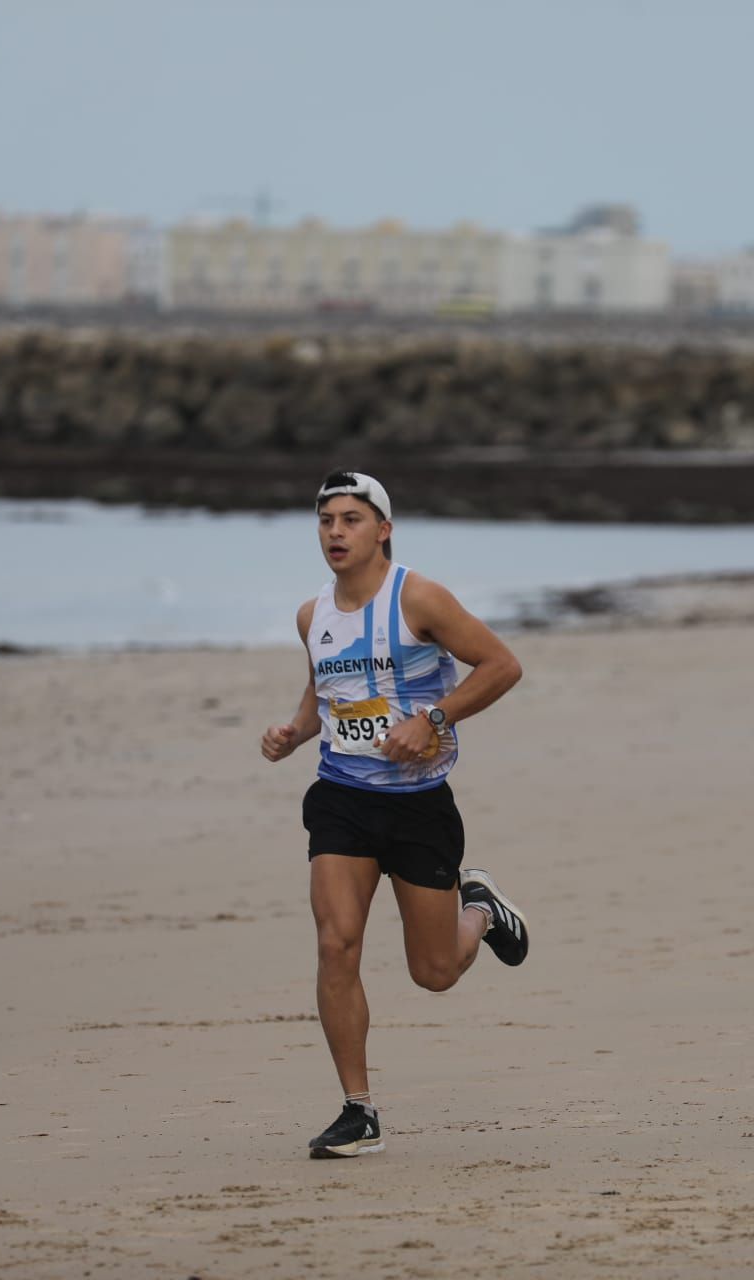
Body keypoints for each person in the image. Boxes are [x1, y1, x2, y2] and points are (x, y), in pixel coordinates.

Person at [259, 469, 530, 1159]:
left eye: (351, 520)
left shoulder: (421, 598)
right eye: (326, 522)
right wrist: (295, 731)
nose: (336, 534)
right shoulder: (309, 614)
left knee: (435, 973)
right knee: (335, 943)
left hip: (418, 808)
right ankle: (359, 1112)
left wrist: (432, 717)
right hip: (342, 800)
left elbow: (501, 665)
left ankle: (482, 909)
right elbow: (327, 687)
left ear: (382, 529)